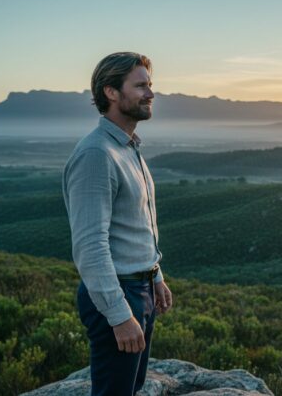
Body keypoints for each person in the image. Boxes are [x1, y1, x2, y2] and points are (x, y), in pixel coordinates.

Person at [62, 52, 173, 395]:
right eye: (140, 86)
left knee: (131, 388)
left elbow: (135, 224)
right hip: (118, 293)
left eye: (150, 85)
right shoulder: (97, 154)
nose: (151, 93)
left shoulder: (127, 148)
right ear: (111, 92)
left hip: (138, 289)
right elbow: (90, 246)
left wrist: (155, 275)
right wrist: (119, 314)